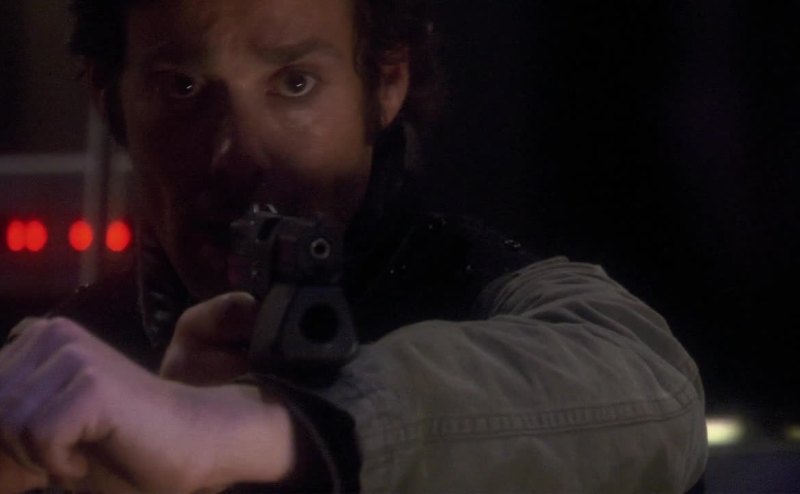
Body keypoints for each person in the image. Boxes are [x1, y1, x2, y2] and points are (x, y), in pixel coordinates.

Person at [0, 0, 708, 492]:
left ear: (387, 82)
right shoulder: (81, 345)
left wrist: (241, 427)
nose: (235, 153)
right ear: (108, 97)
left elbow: (649, 391)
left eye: (295, 83)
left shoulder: (479, 286)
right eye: (182, 87)